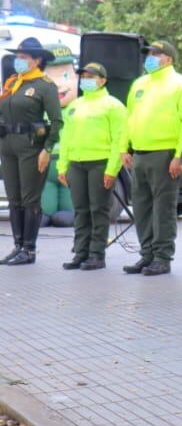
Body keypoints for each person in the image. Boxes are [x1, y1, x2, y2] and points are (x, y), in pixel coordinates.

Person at [121, 40, 182, 276]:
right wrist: (125, 147)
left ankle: (162, 257)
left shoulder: (181, 85)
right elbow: (129, 117)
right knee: (142, 207)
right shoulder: (139, 84)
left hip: (165, 155)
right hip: (140, 154)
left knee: (163, 208)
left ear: (169, 59)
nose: (150, 57)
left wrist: (179, 156)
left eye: (156, 53)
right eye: (149, 53)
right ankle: (147, 254)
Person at [57, 62, 127, 271]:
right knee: (80, 209)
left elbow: (119, 140)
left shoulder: (113, 105)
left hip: (100, 163)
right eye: (84, 75)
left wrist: (112, 169)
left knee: (99, 210)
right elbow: (66, 138)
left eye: (91, 76)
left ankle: (96, 254)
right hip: (76, 164)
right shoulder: (74, 106)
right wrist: (62, 166)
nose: (86, 79)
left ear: (103, 80)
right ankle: (81, 252)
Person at [0, 38, 62, 265]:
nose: (19, 61)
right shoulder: (12, 84)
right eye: (17, 57)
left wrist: (47, 149)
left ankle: (29, 249)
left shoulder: (45, 86)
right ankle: (17, 246)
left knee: (29, 198)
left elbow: (56, 122)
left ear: (37, 61)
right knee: (14, 198)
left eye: (24, 57)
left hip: (30, 147)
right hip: (7, 146)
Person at [38, 43, 78, 228]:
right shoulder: (39, 109)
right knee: (46, 190)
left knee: (68, 191)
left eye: (65, 76)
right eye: (49, 77)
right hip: (45, 161)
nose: (59, 84)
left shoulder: (79, 108)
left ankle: (69, 211)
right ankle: (45, 212)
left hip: (70, 162)